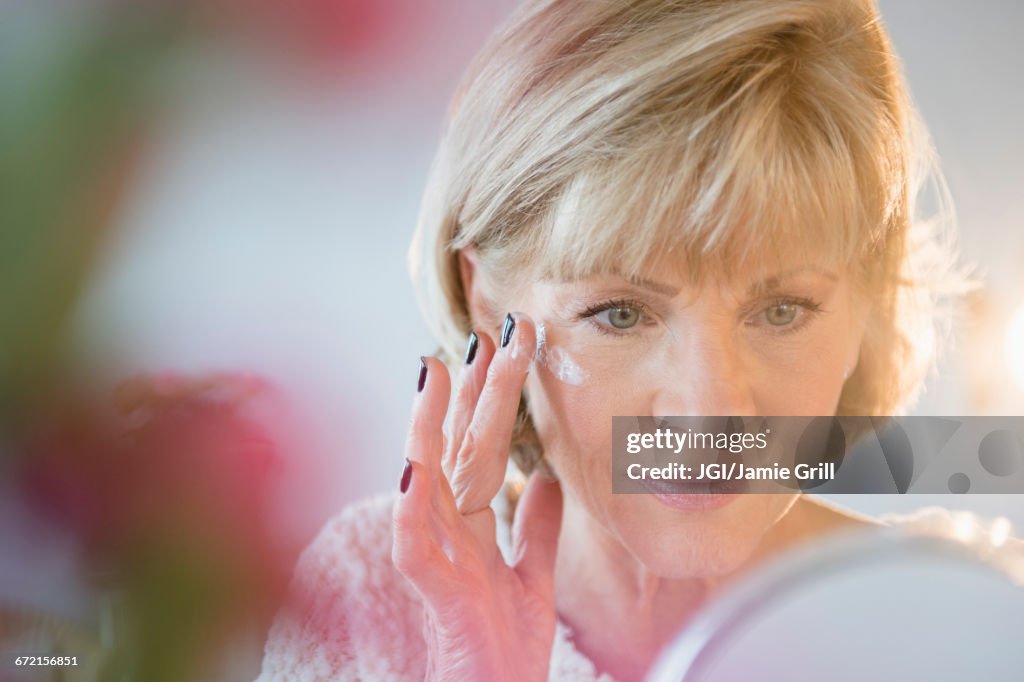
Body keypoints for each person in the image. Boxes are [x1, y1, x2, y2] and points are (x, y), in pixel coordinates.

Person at [256, 1, 1013, 680]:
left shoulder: (967, 626)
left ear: (867, 308)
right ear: (488, 305)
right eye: (621, 314)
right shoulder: (377, 605)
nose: (710, 412)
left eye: (781, 310)